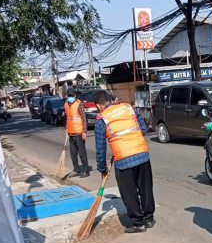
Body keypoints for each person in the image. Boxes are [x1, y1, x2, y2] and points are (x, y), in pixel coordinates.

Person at [93, 91, 155, 233]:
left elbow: (100, 146)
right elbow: (143, 129)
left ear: (98, 106)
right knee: (145, 188)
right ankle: (149, 219)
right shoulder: (128, 108)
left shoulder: (101, 118)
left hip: (123, 159)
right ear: (111, 100)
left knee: (129, 192)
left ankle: (139, 223)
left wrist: (102, 167)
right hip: (142, 154)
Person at [65, 88, 90, 178]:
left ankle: (86, 170)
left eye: (72, 96)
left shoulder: (79, 104)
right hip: (71, 132)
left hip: (79, 132)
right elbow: (68, 118)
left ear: (75, 96)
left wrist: (84, 131)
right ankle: (76, 170)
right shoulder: (66, 105)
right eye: (69, 96)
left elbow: (84, 118)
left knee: (82, 153)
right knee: (73, 154)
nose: (70, 97)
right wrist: (67, 129)